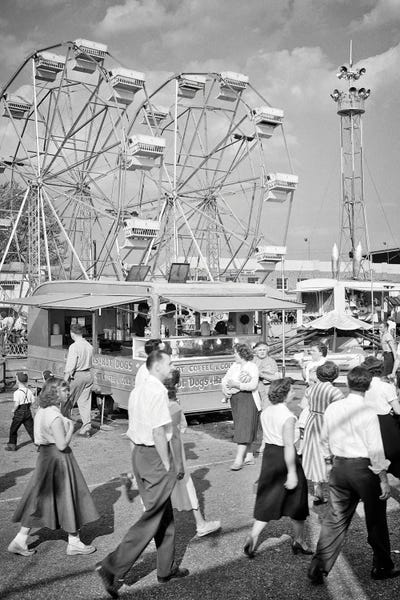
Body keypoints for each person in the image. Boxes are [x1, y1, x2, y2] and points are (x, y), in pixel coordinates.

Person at [96, 351, 189, 598]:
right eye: (169, 364)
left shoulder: (138, 390)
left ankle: (165, 569)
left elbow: (133, 429)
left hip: (140, 453)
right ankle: (112, 566)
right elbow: (159, 432)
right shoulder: (157, 391)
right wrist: (169, 463)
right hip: (154, 455)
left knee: (164, 516)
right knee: (152, 517)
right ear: (157, 366)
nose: (172, 367)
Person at [308, 366, 399, 584]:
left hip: (340, 466)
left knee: (335, 518)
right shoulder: (367, 411)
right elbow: (375, 449)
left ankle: (318, 567)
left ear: (348, 383)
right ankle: (382, 565)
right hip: (364, 469)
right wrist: (383, 478)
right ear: (368, 386)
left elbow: (323, 438)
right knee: (376, 519)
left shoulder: (333, 408)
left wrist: (329, 462)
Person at [8, 377, 99, 557]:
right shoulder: (55, 416)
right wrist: (71, 428)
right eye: (65, 390)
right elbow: (62, 445)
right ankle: (74, 542)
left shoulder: (43, 410)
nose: (67, 393)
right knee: (67, 497)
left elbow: (37, 441)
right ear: (54, 393)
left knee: (39, 499)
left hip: (44, 458)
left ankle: (20, 539)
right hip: (59, 460)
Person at [243, 378, 311, 559]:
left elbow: (265, 440)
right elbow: (289, 445)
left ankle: (254, 535)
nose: (295, 393)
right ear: (285, 394)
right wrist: (291, 473)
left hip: (270, 456)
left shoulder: (266, 412)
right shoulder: (288, 416)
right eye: (292, 391)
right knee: (297, 500)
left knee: (268, 497)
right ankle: (299, 541)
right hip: (284, 457)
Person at [165, 369, 221, 537]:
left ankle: (154, 530)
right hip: (173, 451)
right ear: (176, 385)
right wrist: (180, 466)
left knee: (157, 491)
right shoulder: (173, 404)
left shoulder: (149, 399)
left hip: (154, 451)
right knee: (185, 485)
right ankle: (200, 523)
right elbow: (180, 430)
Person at [301, 362, 343, 505]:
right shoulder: (334, 392)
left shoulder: (311, 388)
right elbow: (340, 411)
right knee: (329, 456)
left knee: (314, 457)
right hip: (326, 423)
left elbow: (305, 404)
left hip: (312, 422)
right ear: (335, 376)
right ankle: (334, 492)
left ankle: (318, 492)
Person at [221, 343, 260, 470]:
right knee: (242, 427)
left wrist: (236, 385)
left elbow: (253, 385)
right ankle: (249, 457)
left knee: (243, 429)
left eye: (235, 353)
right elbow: (224, 380)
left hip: (247, 399)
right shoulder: (235, 366)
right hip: (236, 400)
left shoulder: (252, 367)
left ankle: (238, 460)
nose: (234, 355)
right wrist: (225, 390)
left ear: (242, 354)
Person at [362, 356, 400, 479]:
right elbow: (398, 410)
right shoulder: (387, 387)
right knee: (393, 454)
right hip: (385, 423)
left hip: (367, 421)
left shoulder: (363, 386)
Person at [63, 323, 94, 437]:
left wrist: (64, 381)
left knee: (66, 402)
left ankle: (64, 428)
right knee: (85, 403)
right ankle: (86, 427)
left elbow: (70, 366)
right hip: (88, 375)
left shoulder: (74, 347)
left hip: (77, 376)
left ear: (72, 333)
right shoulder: (89, 346)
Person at [5, 372, 35, 452]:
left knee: (13, 429)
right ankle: (39, 444)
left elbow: (17, 403)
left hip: (19, 413)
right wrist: (28, 407)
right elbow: (33, 401)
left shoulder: (17, 392)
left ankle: (12, 445)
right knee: (31, 429)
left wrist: (13, 409)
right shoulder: (29, 391)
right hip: (28, 412)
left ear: (18, 381)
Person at [252, 342, 279, 409]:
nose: (262, 352)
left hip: (267, 389)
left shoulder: (271, 361)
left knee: (265, 409)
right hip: (254, 389)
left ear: (267, 350)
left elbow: (276, 378)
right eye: (260, 350)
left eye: (264, 350)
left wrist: (262, 375)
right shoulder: (253, 360)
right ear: (256, 351)